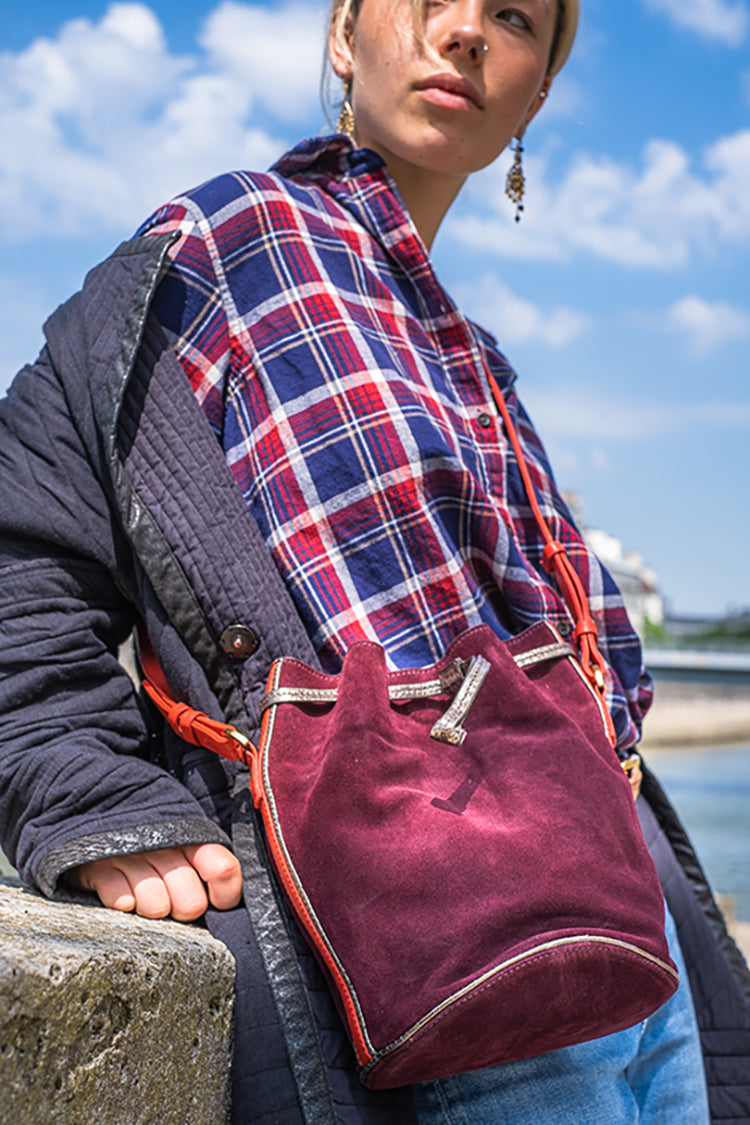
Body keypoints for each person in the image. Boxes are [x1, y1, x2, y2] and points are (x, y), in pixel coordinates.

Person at [0, 0, 748, 1121]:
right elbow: (25, 552)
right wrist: (99, 802)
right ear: (344, 35)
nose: (464, 33)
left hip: (628, 933)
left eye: (514, 18)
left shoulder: (477, 359)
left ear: (536, 94)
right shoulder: (211, 252)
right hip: (436, 954)